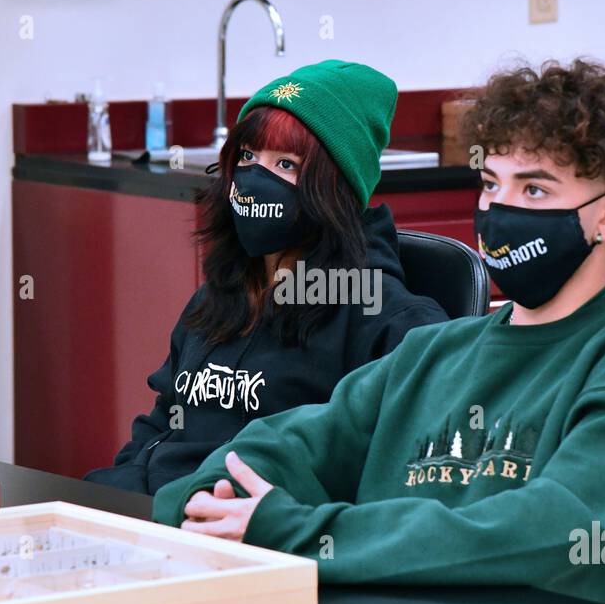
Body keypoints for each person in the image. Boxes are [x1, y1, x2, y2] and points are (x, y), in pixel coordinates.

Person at [152, 57, 605, 604]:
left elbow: (557, 532)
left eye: (534, 192)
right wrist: (199, 509)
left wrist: (302, 534)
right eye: (491, 185)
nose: (499, 212)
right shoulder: (437, 350)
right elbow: (287, 444)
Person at [85, 60, 447, 496]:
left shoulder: (389, 319)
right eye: (248, 156)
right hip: (158, 514)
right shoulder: (220, 294)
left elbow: (390, 475)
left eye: (287, 165)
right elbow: (164, 420)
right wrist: (108, 498)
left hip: (248, 539)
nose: (256, 178)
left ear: (335, 188)